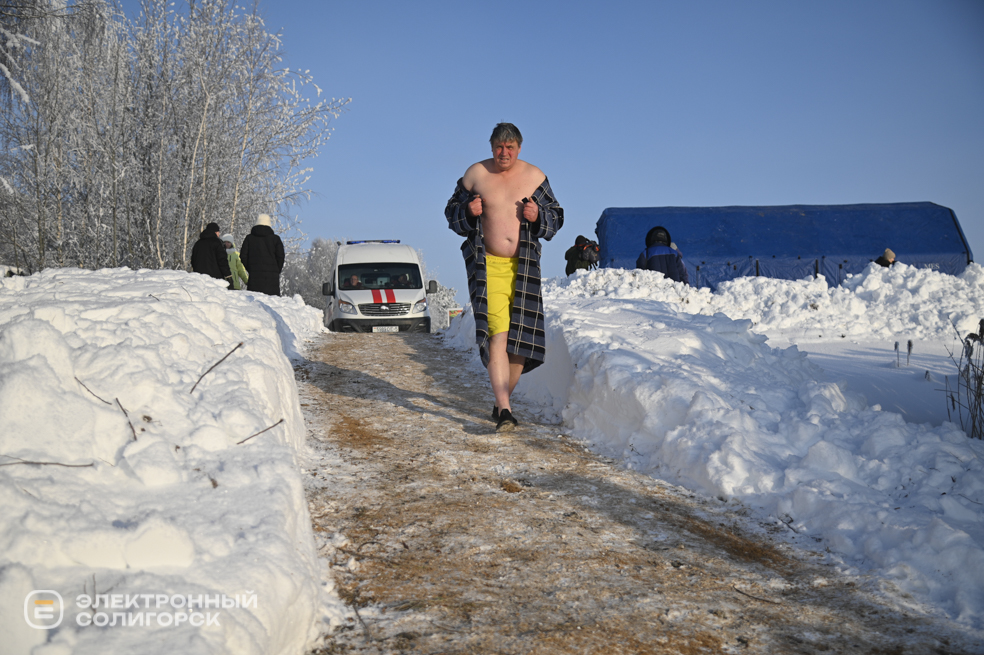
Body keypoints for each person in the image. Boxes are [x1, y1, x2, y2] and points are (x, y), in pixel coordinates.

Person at [445, 122, 564, 432]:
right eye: (499, 146)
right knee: (498, 335)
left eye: (510, 147)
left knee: (520, 341)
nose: (504, 152)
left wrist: (538, 217)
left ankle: (501, 404)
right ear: (491, 147)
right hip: (488, 267)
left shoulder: (535, 177)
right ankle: (506, 411)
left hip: (525, 267)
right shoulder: (476, 175)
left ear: (519, 148)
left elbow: (556, 217)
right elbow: (451, 212)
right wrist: (467, 211)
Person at [240, 214, 285, 296]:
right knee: (271, 302)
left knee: (254, 301)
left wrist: (251, 268)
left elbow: (243, 256)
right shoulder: (275, 239)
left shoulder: (249, 238)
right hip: (272, 280)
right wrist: (276, 270)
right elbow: (281, 257)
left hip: (254, 278)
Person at [191, 222, 233, 287]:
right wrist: (228, 275)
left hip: (200, 279)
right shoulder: (218, 242)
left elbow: (193, 260)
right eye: (218, 232)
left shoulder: (198, 243)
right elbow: (222, 260)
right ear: (216, 232)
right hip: (215, 279)